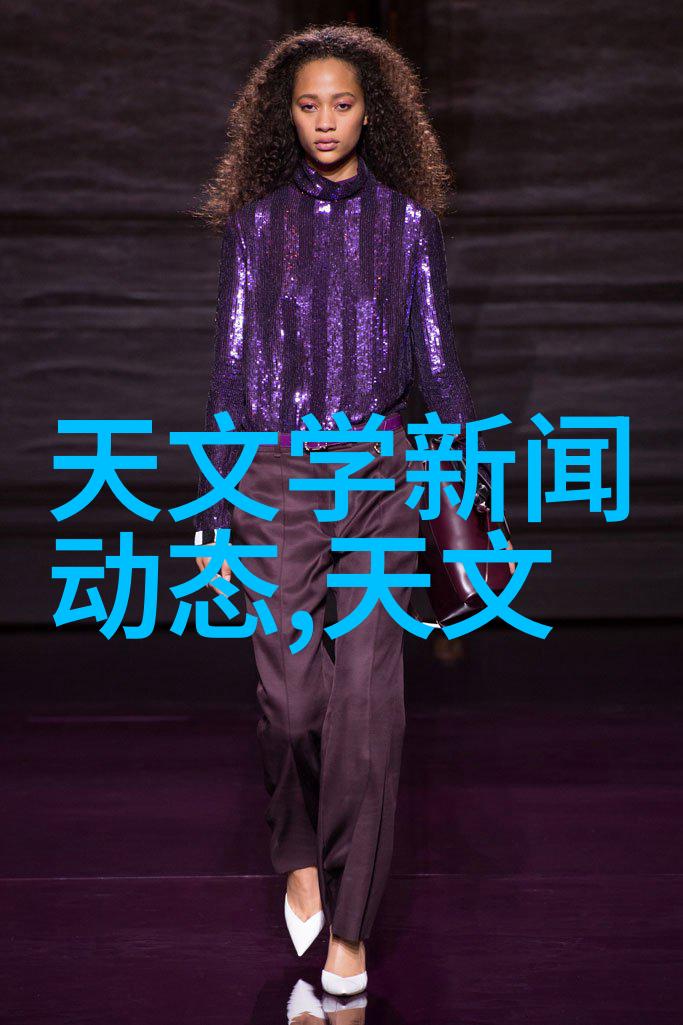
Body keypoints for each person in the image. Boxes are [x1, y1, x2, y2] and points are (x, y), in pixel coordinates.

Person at [190, 23, 489, 996]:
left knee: (369, 709)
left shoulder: (407, 225)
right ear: (285, 115)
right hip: (275, 479)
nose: (325, 121)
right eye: (308, 105)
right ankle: (298, 850)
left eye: (343, 104)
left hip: (380, 480)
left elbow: (437, 366)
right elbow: (230, 371)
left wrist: (465, 498)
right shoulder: (254, 226)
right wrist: (215, 504)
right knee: (290, 704)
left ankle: (349, 940)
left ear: (372, 114)